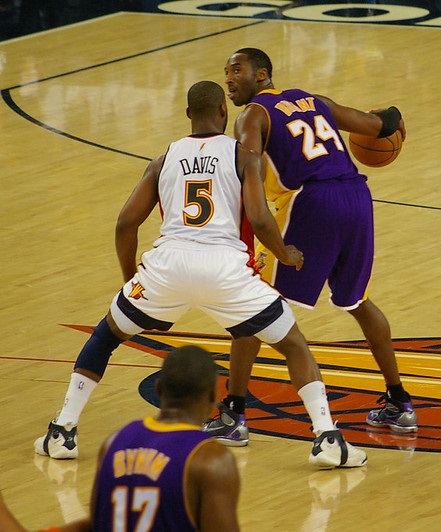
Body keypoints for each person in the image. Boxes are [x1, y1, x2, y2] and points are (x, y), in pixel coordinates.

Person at [34, 80, 366, 469]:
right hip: (225, 268)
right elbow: (260, 218)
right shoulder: (245, 157)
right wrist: (285, 252)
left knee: (106, 336)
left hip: (168, 266)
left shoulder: (164, 159)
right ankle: (327, 438)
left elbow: (126, 223)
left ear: (188, 114)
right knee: (293, 344)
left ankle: (63, 431)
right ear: (224, 113)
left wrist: (130, 281)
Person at [203, 47, 417, 445]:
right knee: (358, 301)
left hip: (309, 203)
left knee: (253, 303)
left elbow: (244, 167)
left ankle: (234, 412)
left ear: (261, 75)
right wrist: (395, 116)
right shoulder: (314, 100)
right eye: (226, 71)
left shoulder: (253, 114)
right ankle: (400, 402)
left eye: (237, 70)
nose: (229, 78)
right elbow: (377, 125)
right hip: (356, 197)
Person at [5, 345, 239, 531]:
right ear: (212, 395)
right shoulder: (210, 460)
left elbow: (98, 523)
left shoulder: (115, 442)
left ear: (158, 389)